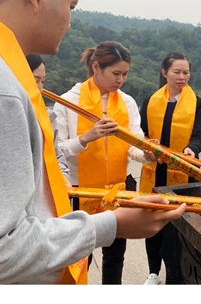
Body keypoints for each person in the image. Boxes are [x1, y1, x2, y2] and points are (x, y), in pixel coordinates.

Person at [0, 0, 185, 284]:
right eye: (71, 6)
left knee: (113, 266)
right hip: (79, 201)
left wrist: (149, 153)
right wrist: (113, 223)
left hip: (113, 189)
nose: (70, 22)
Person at [53, 41, 154, 284]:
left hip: (117, 188)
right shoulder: (68, 101)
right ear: (96, 67)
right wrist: (87, 137)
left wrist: (147, 153)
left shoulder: (127, 102)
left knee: (115, 256)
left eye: (125, 74)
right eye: (116, 73)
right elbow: (57, 153)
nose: (120, 80)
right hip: (80, 189)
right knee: (80, 256)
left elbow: (134, 145)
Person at [140, 52, 201, 285]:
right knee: (152, 224)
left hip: (180, 172)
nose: (182, 77)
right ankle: (153, 273)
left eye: (186, 72)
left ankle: (175, 274)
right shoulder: (151, 101)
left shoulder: (196, 102)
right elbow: (142, 134)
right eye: (176, 72)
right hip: (154, 170)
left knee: (175, 227)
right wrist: (147, 147)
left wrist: (191, 149)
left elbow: (200, 136)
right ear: (164, 73)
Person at [26, 53, 71, 187]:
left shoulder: (47, 115)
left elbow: (56, 154)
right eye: (35, 81)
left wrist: (63, 175)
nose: (40, 88)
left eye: (43, 81)